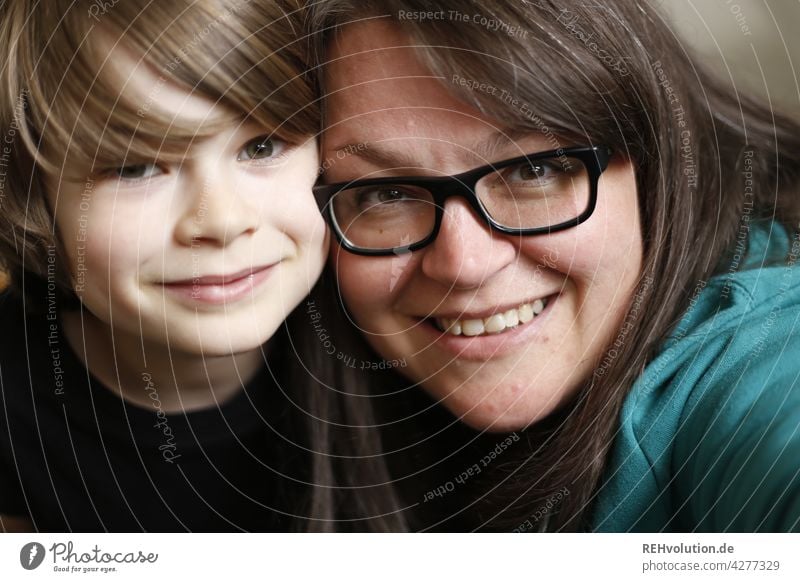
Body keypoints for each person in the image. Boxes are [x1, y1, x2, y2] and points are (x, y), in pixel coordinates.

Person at [311, 0, 800, 531]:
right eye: (385, 194)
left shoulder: (762, 355)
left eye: (534, 170)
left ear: (656, 165)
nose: (464, 264)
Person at [0, 0, 334, 532]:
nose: (222, 221)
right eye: (135, 167)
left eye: (261, 146)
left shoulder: (398, 344)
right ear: (34, 198)